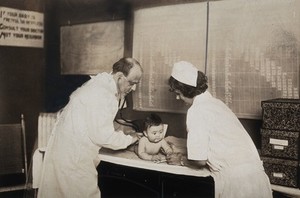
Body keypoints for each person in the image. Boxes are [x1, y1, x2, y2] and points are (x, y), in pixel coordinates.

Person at [38, 57, 143, 198]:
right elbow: (104, 137)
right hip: (75, 160)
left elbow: (95, 122)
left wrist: (123, 132)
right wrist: (131, 139)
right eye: (132, 83)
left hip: (66, 154)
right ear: (119, 76)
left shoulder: (98, 84)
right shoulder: (104, 94)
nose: (134, 88)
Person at [166, 61, 272, 198]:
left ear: (187, 90)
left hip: (237, 185)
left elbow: (199, 161)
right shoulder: (217, 104)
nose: (177, 97)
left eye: (178, 93)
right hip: (257, 179)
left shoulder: (197, 110)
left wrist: (180, 160)